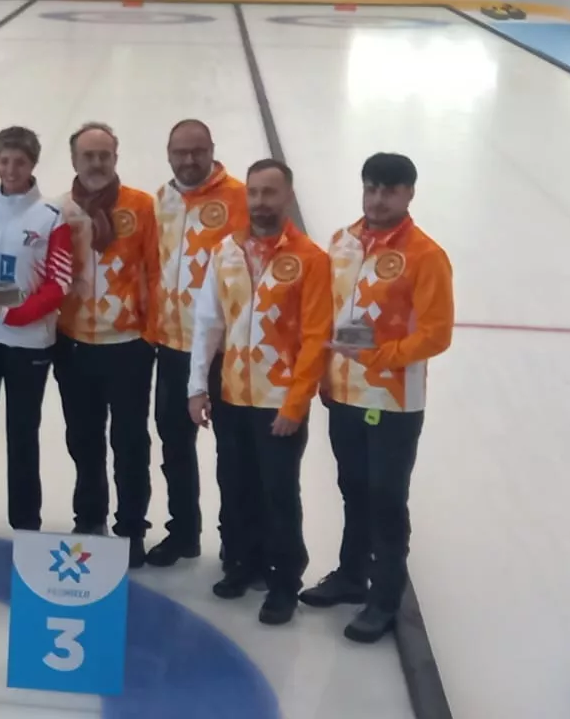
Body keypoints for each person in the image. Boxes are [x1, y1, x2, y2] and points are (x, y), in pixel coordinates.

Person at [299, 153, 453, 644]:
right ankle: (350, 574)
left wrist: (382, 356)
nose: (378, 198)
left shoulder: (426, 255)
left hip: (392, 399)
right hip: (343, 392)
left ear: (409, 194)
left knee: (386, 497)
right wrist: (325, 373)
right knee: (352, 488)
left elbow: (436, 333)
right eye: (371, 188)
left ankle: (385, 596)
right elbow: (330, 313)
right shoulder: (342, 242)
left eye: (389, 190)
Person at [187, 159, 331, 626]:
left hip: (277, 402)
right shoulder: (224, 252)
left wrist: (295, 404)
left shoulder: (310, 260)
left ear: (287, 197)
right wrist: (196, 388)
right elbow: (208, 324)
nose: (261, 203)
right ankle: (244, 564)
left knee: (278, 493)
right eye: (254, 193)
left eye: (270, 193)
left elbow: (316, 338)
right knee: (236, 486)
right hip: (232, 396)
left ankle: (285, 579)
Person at [0, 126, 72, 555]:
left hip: (28, 343)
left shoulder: (50, 217)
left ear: (33, 164)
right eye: (4, 161)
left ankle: (26, 525)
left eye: (19, 161)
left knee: (23, 434)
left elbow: (59, 283)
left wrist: (15, 312)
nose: (11, 169)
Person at [51, 122, 160, 568]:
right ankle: (89, 516)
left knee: (131, 440)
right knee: (83, 438)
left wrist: (150, 335)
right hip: (74, 343)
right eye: (88, 156)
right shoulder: (58, 210)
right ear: (74, 160)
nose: (97, 164)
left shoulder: (142, 207)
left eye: (104, 156)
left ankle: (131, 527)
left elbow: (156, 271)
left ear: (116, 158)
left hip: (127, 345)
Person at [146, 118, 249, 569]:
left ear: (212, 150)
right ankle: (183, 531)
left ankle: (239, 545)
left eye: (197, 151)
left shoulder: (241, 198)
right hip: (171, 346)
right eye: (180, 152)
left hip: (225, 350)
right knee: (174, 444)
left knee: (234, 451)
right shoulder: (162, 200)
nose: (189, 160)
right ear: (168, 154)